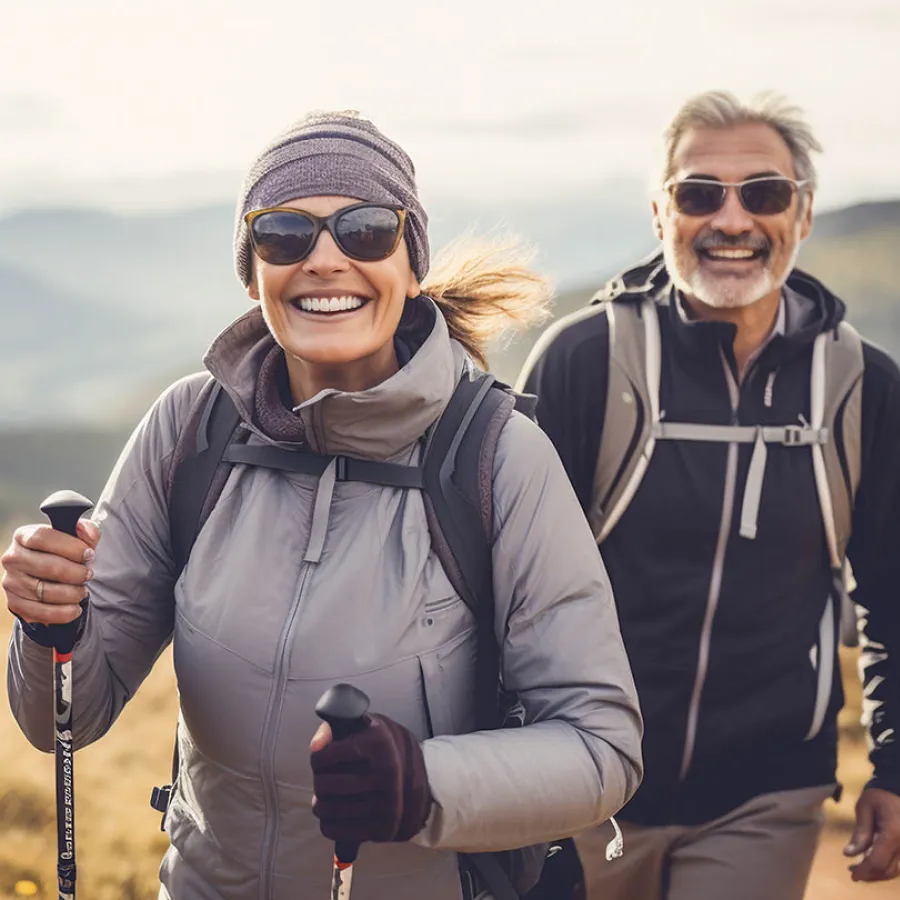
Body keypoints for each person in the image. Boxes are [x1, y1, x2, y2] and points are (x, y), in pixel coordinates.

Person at [2, 109, 642, 900]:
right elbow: (65, 718)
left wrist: (421, 784)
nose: (325, 260)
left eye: (366, 230)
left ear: (410, 265)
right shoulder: (190, 430)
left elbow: (602, 748)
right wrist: (48, 624)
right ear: (252, 272)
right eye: (284, 235)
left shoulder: (498, 459)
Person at [518, 90, 900, 899]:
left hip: (764, 797)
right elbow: (502, 587)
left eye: (763, 193)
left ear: (802, 213)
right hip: (581, 785)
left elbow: (895, 595)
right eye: (700, 194)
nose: (733, 220)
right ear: (661, 212)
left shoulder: (863, 386)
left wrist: (897, 764)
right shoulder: (585, 363)